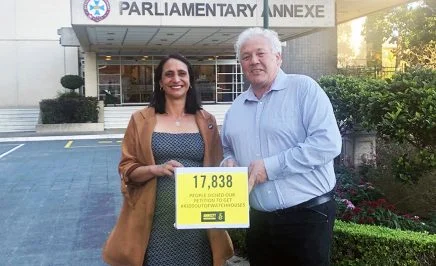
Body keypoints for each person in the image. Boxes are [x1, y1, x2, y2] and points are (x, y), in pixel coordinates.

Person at [221, 27, 342, 265]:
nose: (253, 61)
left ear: (278, 57)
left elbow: (327, 143)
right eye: (246, 57)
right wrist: (228, 161)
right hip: (259, 222)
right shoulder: (235, 108)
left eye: (260, 53)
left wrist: (271, 167)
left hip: (307, 217)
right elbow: (227, 148)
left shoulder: (304, 89)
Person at [119, 53, 233, 266]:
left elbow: (217, 168)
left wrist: (229, 168)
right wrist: (156, 169)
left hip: (199, 223)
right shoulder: (140, 120)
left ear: (190, 81)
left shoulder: (207, 121)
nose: (176, 79)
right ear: (161, 82)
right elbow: (126, 168)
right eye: (169, 74)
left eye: (182, 73)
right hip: (155, 221)